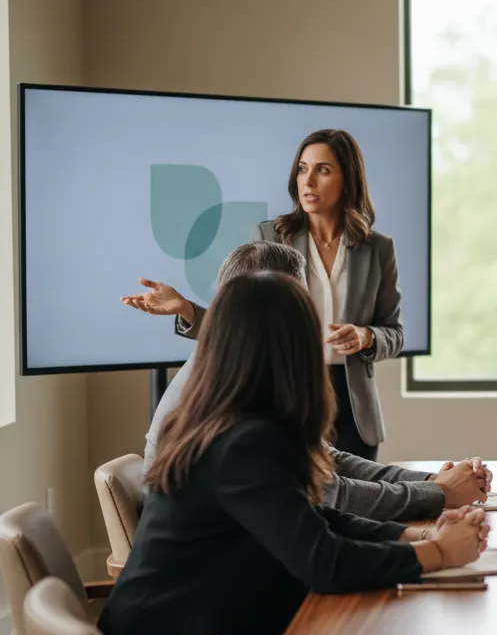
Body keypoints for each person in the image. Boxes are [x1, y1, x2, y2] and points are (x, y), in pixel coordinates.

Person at [100, 271, 488, 635]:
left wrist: (418, 536)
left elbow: (308, 520)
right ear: (292, 352)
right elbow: (323, 562)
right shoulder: (242, 440)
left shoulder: (219, 422)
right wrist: (441, 555)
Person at [134, 241, 489, 521]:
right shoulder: (235, 386)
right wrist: (441, 494)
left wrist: (430, 483)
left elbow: (319, 458)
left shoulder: (242, 363)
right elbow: (328, 492)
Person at [123, 129, 403, 460]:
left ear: (348, 179)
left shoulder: (378, 248)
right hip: (288, 391)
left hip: (354, 407)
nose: (308, 180)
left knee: (362, 495)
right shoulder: (271, 235)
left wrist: (367, 336)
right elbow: (240, 325)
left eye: (322, 170)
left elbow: (394, 334)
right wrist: (185, 309)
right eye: (302, 168)